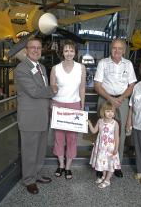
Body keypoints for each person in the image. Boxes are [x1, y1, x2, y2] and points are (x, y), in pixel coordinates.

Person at [15, 38, 57, 195]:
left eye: (39, 48)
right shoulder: (21, 68)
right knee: (29, 151)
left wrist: (50, 99)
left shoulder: (42, 67)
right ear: (26, 50)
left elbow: (42, 91)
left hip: (42, 116)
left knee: (39, 150)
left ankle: (36, 174)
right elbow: (34, 91)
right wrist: (52, 89)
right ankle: (28, 180)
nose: (36, 50)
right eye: (32, 47)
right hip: (29, 118)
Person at [94, 38, 137, 178]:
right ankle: (100, 165)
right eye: (114, 48)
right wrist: (111, 99)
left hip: (122, 100)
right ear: (110, 49)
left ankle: (116, 165)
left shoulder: (128, 64)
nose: (117, 50)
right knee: (102, 132)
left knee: (121, 133)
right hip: (106, 100)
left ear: (124, 50)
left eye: (120, 48)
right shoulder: (103, 63)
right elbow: (97, 86)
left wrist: (121, 98)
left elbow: (131, 86)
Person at [50, 40, 86, 180]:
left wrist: (82, 106)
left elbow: (82, 88)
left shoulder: (81, 68)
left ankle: (68, 167)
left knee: (72, 138)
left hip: (74, 104)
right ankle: (61, 164)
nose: (69, 53)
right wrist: (51, 104)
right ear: (62, 52)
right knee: (58, 137)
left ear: (75, 52)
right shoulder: (55, 68)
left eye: (71, 50)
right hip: (58, 105)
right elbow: (52, 88)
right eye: (66, 50)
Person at [89, 102, 121, 188]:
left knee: (110, 164)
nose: (110, 113)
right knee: (103, 163)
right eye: (108, 111)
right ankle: (103, 176)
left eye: (112, 111)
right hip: (101, 148)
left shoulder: (115, 123)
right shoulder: (100, 121)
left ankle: (107, 180)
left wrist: (116, 148)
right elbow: (94, 131)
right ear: (103, 111)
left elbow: (117, 137)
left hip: (110, 148)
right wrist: (88, 122)